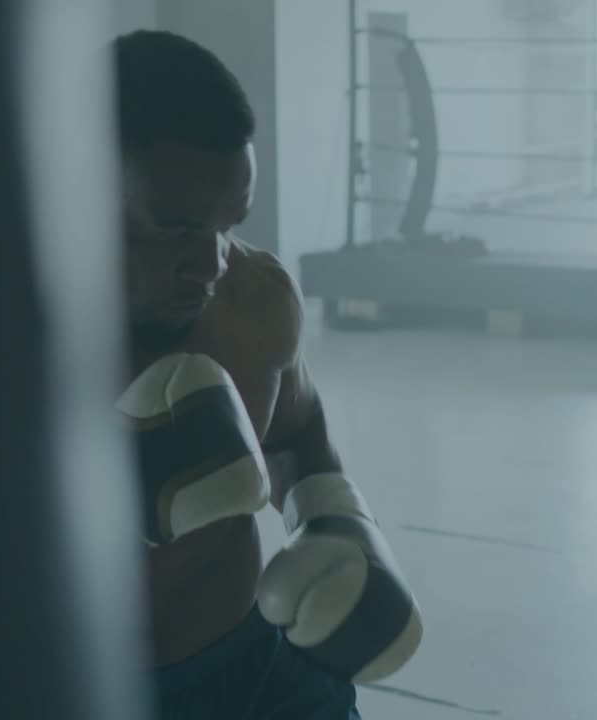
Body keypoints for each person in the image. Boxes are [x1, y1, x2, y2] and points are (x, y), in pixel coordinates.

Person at [112, 30, 423, 719]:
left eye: (229, 225)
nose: (212, 264)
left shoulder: (253, 301)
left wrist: (337, 524)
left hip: (260, 671)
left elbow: (299, 427)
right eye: (175, 229)